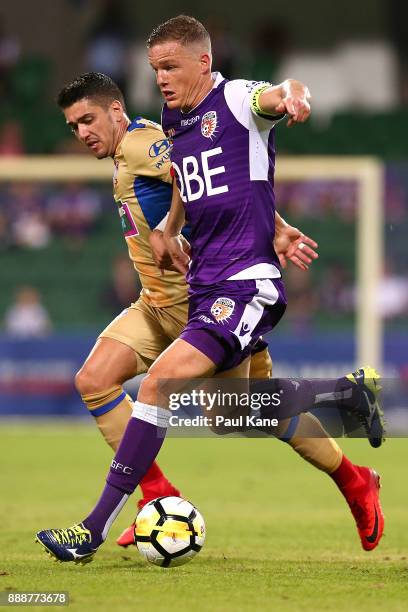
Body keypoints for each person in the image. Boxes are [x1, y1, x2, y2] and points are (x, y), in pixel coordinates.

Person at [36, 16, 384, 563]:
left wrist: (294, 95)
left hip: (235, 287)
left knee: (184, 397)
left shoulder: (210, 110)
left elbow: (274, 97)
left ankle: (94, 528)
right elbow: (202, 181)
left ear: (203, 61)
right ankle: (341, 445)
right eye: (155, 69)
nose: (162, 78)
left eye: (170, 66)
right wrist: (170, 227)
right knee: (213, 409)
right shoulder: (177, 121)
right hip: (174, 300)